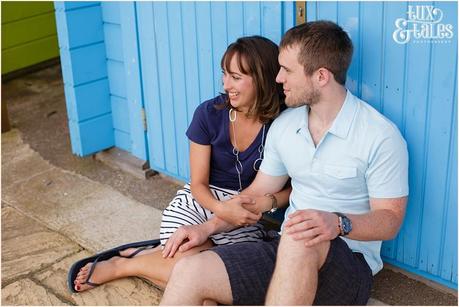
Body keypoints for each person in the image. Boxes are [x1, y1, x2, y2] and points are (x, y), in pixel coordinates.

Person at [160, 20, 409, 306]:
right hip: (284, 248)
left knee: (300, 237)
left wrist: (338, 223)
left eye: (287, 70)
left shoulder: (380, 136)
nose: (278, 78)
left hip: (348, 261)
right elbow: (255, 194)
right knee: (190, 271)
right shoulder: (285, 126)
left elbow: (390, 220)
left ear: (321, 76)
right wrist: (206, 228)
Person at [72, 35, 291, 292]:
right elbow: (197, 183)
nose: (226, 83)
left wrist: (263, 204)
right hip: (202, 201)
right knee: (196, 268)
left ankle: (138, 259)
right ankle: (119, 266)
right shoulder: (208, 114)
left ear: (262, 78)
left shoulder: (284, 123)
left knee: (226, 275)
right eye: (224, 74)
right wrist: (221, 209)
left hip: (247, 213)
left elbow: (295, 188)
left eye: (236, 77)